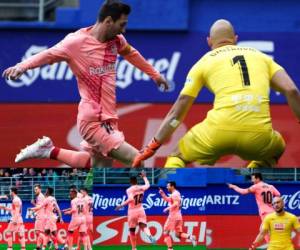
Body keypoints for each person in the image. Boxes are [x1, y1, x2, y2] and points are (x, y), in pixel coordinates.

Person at [3, 0, 169, 168]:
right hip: (93, 120)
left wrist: (155, 75)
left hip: (109, 118)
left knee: (100, 172)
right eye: (122, 24)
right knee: (138, 161)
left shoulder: (117, 40)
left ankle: (49, 151)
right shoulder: (75, 42)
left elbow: (131, 53)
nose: (124, 29)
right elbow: (48, 54)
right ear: (108, 21)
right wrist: (22, 66)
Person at [132, 18, 300, 168]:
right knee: (277, 147)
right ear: (235, 39)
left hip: (217, 134)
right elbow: (291, 90)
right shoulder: (262, 57)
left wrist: (153, 146)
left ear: (209, 41)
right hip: (258, 138)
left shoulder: (203, 62)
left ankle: (169, 198)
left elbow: (178, 111)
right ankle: (249, 184)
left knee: (178, 155)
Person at [115, 171, 155, 250]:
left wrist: (121, 205)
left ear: (130, 182)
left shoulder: (129, 190)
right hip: (141, 209)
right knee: (143, 225)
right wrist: (144, 177)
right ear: (137, 181)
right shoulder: (141, 187)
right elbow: (148, 185)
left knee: (132, 230)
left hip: (132, 211)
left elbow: (130, 199)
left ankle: (134, 248)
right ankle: (149, 235)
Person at [159, 181, 197, 249]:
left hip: (173, 216)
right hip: (178, 216)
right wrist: (162, 194)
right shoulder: (175, 193)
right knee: (178, 234)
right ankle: (190, 237)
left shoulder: (175, 194)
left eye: (168, 186)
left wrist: (167, 208)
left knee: (165, 232)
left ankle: (170, 248)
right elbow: (168, 200)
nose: (167, 187)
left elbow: (176, 204)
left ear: (172, 186)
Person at [32, 184, 47, 250]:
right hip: (39, 215)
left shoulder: (40, 197)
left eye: (36, 189)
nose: (35, 191)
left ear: (40, 189)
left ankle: (49, 241)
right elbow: (40, 206)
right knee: (38, 232)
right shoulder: (39, 196)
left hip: (41, 216)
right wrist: (34, 205)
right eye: (34, 189)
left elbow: (40, 207)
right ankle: (38, 247)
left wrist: (32, 209)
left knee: (38, 232)